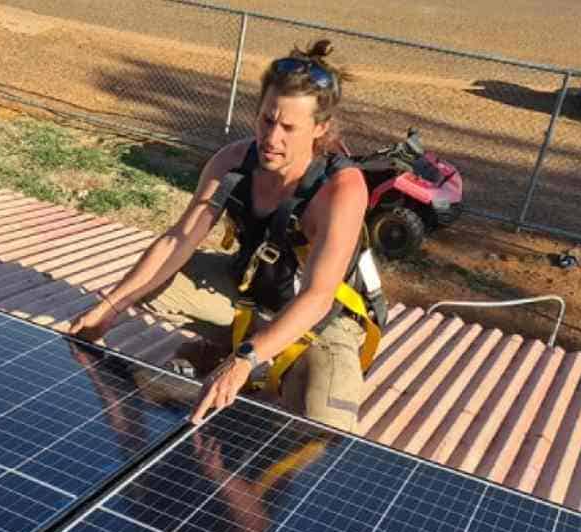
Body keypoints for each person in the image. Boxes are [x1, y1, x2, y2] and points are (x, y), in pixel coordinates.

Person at [69, 39, 378, 433]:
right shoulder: (233, 162)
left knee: (324, 430)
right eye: (267, 120)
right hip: (251, 290)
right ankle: (228, 350)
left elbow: (317, 298)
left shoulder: (342, 190)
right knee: (151, 282)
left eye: (288, 128)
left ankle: (240, 357)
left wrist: (244, 360)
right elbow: (177, 240)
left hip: (325, 319)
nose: (272, 138)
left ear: (319, 129)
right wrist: (110, 305)